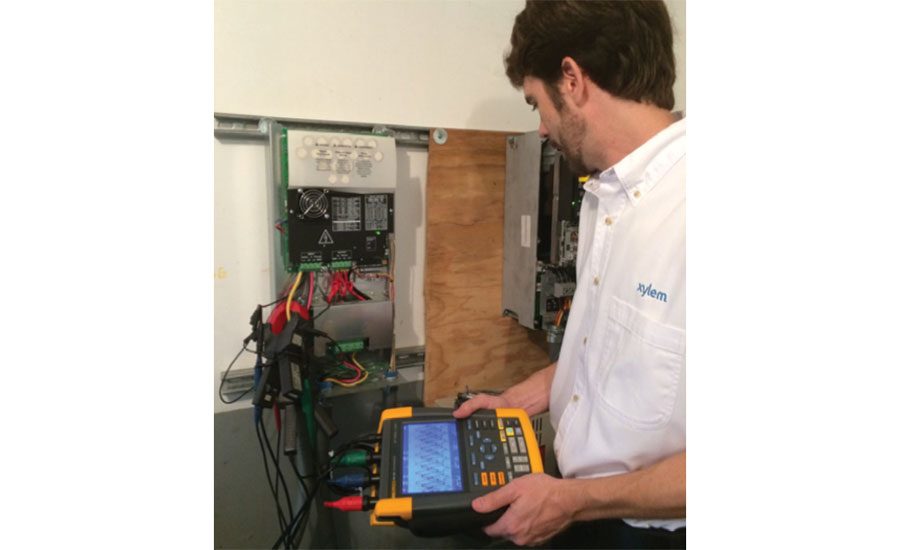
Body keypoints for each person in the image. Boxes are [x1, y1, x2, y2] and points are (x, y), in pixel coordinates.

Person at [453, 1, 686, 547]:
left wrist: (575, 502)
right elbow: (611, 356)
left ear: (572, 79)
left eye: (537, 104)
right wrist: (517, 401)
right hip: (584, 508)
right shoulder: (606, 196)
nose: (541, 127)